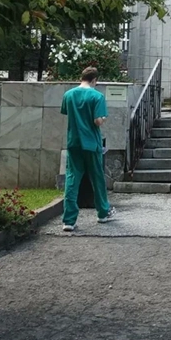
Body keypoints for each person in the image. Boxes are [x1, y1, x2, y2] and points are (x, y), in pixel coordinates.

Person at [60, 66, 116, 232]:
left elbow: (66, 112)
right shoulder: (97, 96)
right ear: (94, 80)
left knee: (72, 178)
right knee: (97, 178)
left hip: (74, 142)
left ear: (82, 78)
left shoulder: (68, 95)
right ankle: (103, 212)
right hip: (91, 143)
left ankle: (69, 220)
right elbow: (97, 121)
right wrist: (103, 118)